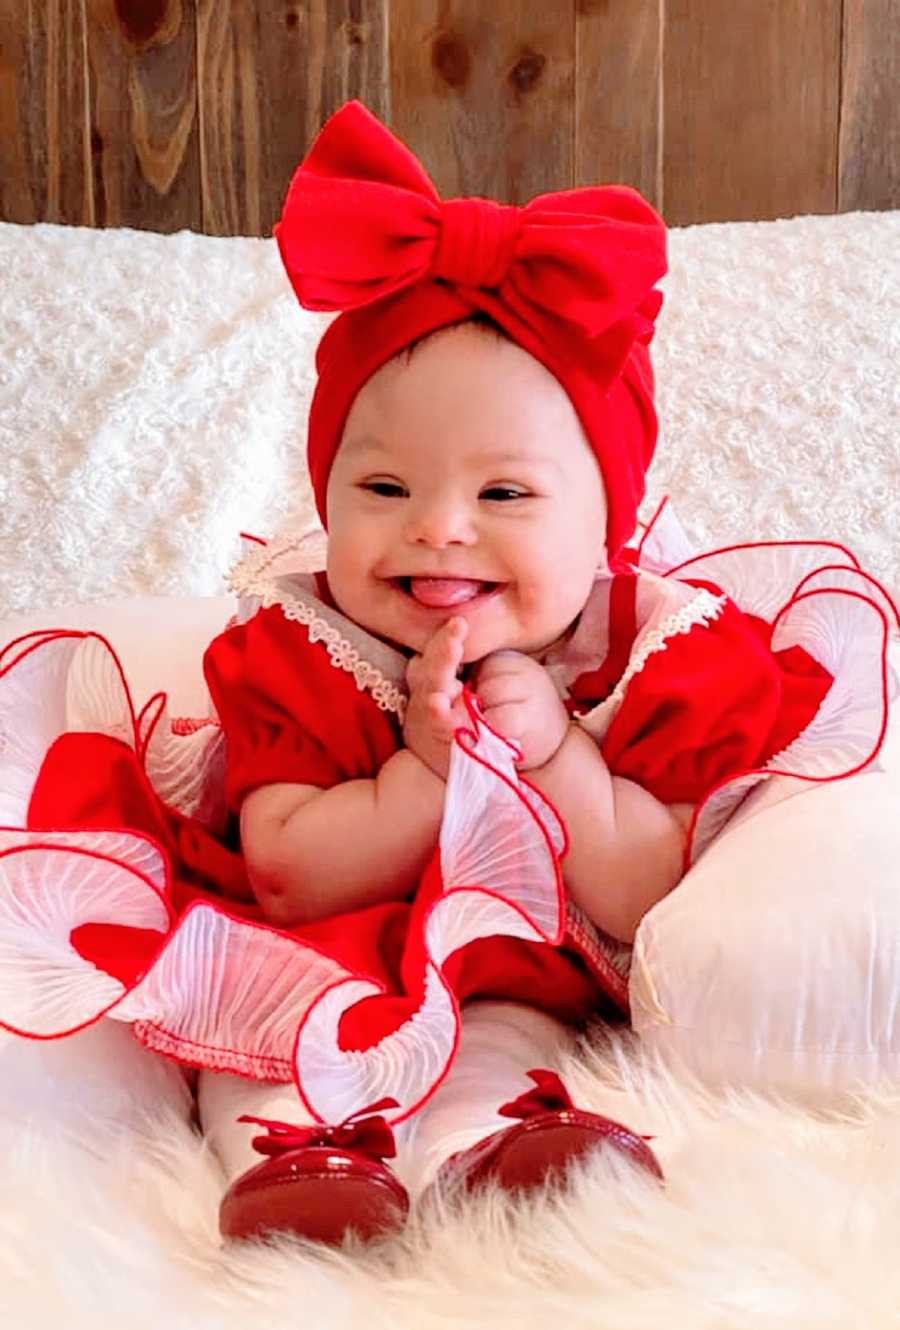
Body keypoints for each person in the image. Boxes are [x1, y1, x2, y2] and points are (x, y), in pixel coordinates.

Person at [0, 101, 894, 1246]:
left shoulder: (650, 654)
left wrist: (559, 756)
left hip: (522, 980)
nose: (440, 531)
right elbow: (282, 868)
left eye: (505, 495)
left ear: (606, 522)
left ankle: (498, 1142)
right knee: (264, 1032)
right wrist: (422, 781)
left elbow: (639, 894)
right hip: (317, 948)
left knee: (504, 1040)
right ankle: (300, 1154)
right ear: (326, 499)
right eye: (383, 490)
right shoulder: (304, 650)